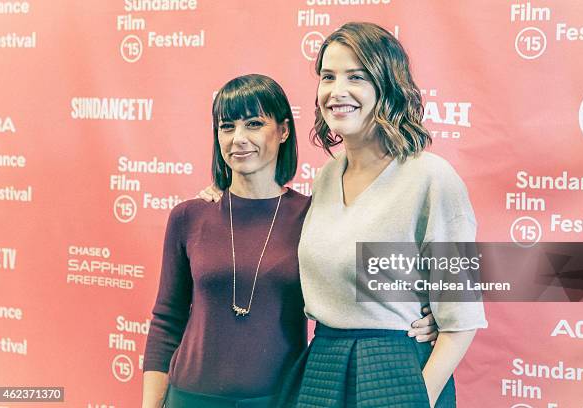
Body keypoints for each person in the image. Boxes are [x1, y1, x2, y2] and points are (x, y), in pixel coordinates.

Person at [200, 22, 487, 408]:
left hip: (397, 370)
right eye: (328, 77)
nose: (337, 91)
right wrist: (227, 196)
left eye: (356, 76)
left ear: (387, 85)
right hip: (323, 363)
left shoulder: (430, 178)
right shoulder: (327, 177)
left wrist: (420, 395)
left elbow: (462, 318)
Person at [142, 73, 440, 408]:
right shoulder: (190, 216)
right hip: (191, 397)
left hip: (284, 397)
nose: (238, 138)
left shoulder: (315, 214)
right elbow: (167, 320)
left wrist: (422, 315)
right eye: (227, 127)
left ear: (283, 130)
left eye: (254, 124)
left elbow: (359, 286)